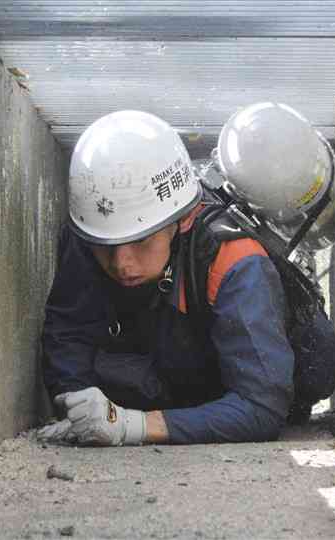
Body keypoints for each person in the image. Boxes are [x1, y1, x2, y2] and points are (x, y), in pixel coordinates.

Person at [37, 110, 296, 446]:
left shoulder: (236, 262)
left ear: (183, 221)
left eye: (141, 242)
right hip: (163, 364)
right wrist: (75, 407)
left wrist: (133, 426)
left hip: (225, 379)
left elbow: (262, 408)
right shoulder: (96, 231)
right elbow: (68, 330)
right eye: (106, 248)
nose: (121, 263)